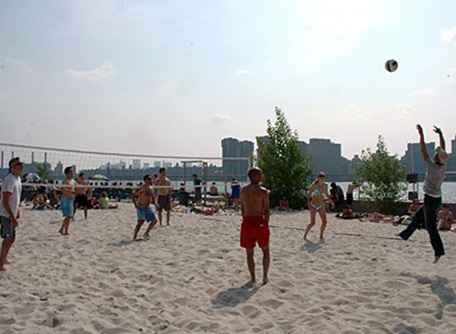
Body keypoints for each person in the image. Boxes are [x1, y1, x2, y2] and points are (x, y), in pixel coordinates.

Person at [399, 125, 448, 263]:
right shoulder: (444, 166)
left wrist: (421, 134)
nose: (437, 153)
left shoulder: (432, 166)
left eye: (437, 154)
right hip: (436, 199)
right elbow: (442, 148)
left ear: (437, 157)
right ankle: (404, 235)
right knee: (418, 217)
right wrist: (441, 134)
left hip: (430, 199)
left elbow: (423, 150)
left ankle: (439, 252)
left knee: (431, 227)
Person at [240, 167, 270, 286]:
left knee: (249, 253)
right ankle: (265, 276)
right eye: (260, 175)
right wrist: (266, 224)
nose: (262, 176)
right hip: (259, 222)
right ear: (257, 177)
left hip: (247, 222)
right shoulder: (264, 192)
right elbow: (267, 210)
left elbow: (242, 208)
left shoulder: (243, 191)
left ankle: (253, 278)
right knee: (265, 250)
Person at [0, 158, 23, 271]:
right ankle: (0, 263)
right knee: (8, 238)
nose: (20, 167)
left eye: (20, 165)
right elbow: (5, 200)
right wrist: (12, 216)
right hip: (6, 214)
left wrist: (17, 210)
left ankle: (3, 259)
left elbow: (16, 198)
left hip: (12, 214)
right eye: (17, 165)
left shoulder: (17, 178)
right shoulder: (9, 179)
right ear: (12, 167)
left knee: (12, 238)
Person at [304, 172, 332, 242]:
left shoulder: (325, 186)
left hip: (321, 205)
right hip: (313, 205)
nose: (322, 180)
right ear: (318, 178)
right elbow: (308, 195)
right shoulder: (313, 186)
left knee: (325, 222)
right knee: (313, 223)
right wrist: (309, 204)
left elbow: (326, 194)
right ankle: (305, 235)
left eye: (323, 179)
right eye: (321, 178)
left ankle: (321, 235)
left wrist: (331, 201)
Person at [132, 175, 158, 240]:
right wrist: (135, 205)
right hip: (141, 207)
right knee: (140, 222)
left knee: (154, 221)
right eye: (149, 179)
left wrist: (155, 204)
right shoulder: (141, 188)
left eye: (151, 179)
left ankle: (146, 233)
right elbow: (133, 195)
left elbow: (153, 197)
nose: (151, 180)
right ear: (145, 180)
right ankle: (134, 236)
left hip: (147, 207)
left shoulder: (151, 188)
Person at [58, 167, 76, 235]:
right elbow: (62, 190)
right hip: (66, 199)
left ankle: (62, 229)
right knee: (68, 216)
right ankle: (65, 231)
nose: (72, 173)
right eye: (71, 172)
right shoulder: (65, 181)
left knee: (68, 216)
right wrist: (70, 192)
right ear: (67, 173)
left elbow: (76, 189)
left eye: (72, 172)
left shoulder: (73, 181)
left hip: (71, 199)